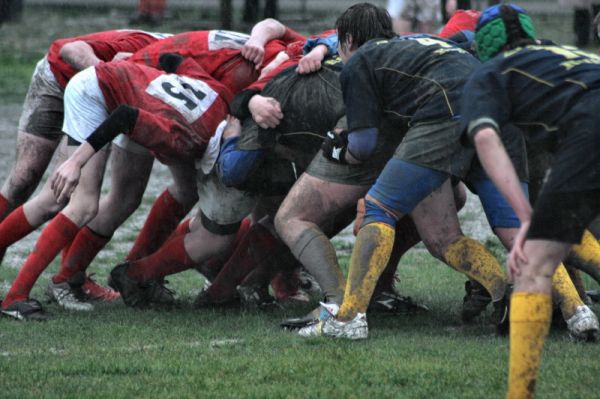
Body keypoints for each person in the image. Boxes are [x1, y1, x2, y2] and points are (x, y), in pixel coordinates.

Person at [0, 55, 230, 321]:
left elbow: (174, 59)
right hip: (95, 93)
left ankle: (79, 278)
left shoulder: (222, 99)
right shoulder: (183, 138)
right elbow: (125, 117)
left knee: (126, 197)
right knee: (79, 204)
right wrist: (76, 161)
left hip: (124, 91)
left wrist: (135, 72)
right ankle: (15, 297)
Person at [462, 4, 600, 397]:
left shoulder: (487, 73)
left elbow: (486, 138)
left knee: (533, 269)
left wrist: (526, 218)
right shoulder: (563, 52)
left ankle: (520, 393)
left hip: (590, 131)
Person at [0, 29, 169, 299]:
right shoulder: (151, 47)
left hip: (107, 98)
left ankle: (72, 277)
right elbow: (71, 50)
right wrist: (107, 72)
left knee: (122, 196)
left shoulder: (190, 64)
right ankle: (39, 289)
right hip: (63, 79)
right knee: (32, 182)